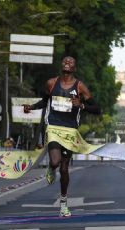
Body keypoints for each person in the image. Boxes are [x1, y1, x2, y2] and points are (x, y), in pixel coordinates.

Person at [23, 56, 100, 217]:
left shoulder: (80, 87)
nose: (67, 62)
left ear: (75, 68)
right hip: (53, 127)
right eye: (65, 60)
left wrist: (82, 105)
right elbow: (45, 102)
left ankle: (63, 204)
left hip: (70, 130)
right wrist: (31, 107)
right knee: (55, 161)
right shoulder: (51, 83)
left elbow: (97, 108)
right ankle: (51, 168)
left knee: (65, 169)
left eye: (71, 62)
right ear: (61, 65)